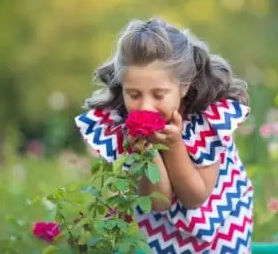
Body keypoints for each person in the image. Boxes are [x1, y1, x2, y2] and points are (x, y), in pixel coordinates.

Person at [75, 18, 253, 253]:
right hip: (162, 231)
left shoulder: (208, 120)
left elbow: (195, 197)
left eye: (158, 95)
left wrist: (174, 144)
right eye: (134, 94)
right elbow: (157, 202)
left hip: (221, 226)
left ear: (184, 85)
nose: (145, 107)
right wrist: (147, 152)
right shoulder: (123, 128)